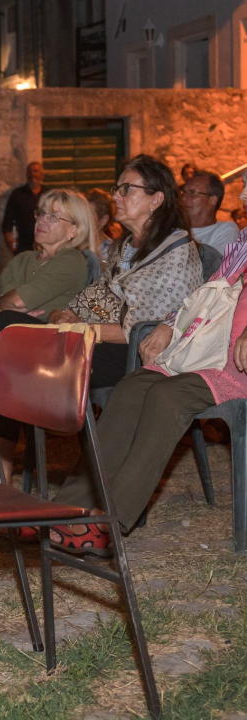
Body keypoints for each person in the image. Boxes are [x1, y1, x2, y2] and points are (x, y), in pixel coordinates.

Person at [47, 170, 247, 554]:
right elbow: (207, 295)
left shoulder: (177, 246)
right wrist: (171, 326)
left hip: (234, 364)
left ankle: (111, 520)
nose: (244, 196)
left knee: (167, 398)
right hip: (209, 349)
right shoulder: (243, 242)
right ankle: (70, 505)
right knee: (132, 386)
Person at [0, 189, 97, 477]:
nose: (42, 220)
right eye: (41, 212)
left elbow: (10, 303)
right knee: (4, 350)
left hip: (51, 353)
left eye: (53, 215)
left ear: (74, 230)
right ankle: (0, 476)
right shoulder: (23, 259)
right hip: (12, 354)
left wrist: (8, 312)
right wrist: (8, 311)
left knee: (5, 332)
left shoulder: (72, 260)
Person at [47, 155, 204, 390]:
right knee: (9, 328)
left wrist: (81, 329)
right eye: (116, 189)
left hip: (139, 356)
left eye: (126, 189)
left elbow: (145, 326)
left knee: (40, 357)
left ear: (156, 199)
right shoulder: (125, 245)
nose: (116, 196)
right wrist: (65, 314)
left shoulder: (176, 249)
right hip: (104, 341)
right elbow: (103, 291)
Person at [183, 170, 238, 251]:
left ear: (212, 200)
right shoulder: (172, 229)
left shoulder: (225, 230)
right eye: (184, 192)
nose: (183, 198)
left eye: (192, 192)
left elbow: (214, 262)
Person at [2, 161, 44, 254]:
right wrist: (9, 240)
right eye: (30, 171)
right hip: (23, 245)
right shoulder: (17, 194)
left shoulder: (48, 194)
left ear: (42, 175)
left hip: (44, 244)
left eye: (35, 171)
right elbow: (8, 219)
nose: (32, 174)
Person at [86, 188, 116, 266]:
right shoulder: (72, 244)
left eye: (88, 214)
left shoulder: (112, 252)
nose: (81, 218)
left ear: (103, 220)